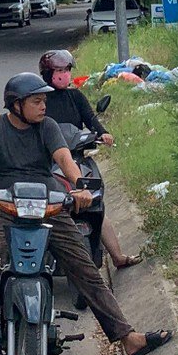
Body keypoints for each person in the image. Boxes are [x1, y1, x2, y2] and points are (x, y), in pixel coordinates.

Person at [0, 73, 170, 355]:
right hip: (4, 207)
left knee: (85, 268)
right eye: (36, 101)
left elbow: (64, 160)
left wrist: (81, 187)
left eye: (44, 100)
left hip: (47, 206)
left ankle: (128, 338)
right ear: (16, 104)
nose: (44, 106)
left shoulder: (48, 127)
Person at [38, 49, 141, 270]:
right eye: (58, 70)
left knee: (96, 206)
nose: (64, 74)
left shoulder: (75, 96)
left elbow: (91, 119)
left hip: (77, 159)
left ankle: (117, 256)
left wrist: (103, 133)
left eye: (66, 70)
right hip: (48, 163)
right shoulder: (40, 100)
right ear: (47, 74)